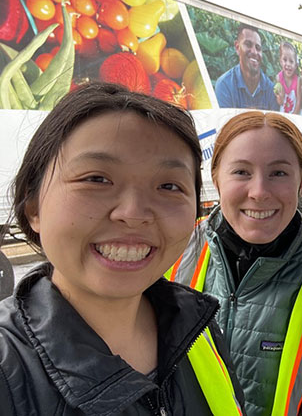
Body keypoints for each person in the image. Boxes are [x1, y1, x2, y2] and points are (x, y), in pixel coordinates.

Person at [0, 83, 245, 415]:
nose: (133, 213)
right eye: (97, 179)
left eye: (169, 186)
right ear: (33, 207)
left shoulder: (199, 331)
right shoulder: (8, 368)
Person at [167, 111, 302, 415]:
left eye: (278, 173)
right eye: (241, 172)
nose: (259, 192)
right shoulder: (178, 246)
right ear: (216, 177)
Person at [215, 23, 280, 111]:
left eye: (258, 48)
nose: (254, 52)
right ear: (237, 47)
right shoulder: (225, 85)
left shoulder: (270, 89)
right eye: (248, 44)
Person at [275, 41, 299, 114]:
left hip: (295, 114)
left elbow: (299, 103)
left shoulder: (298, 81)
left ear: (295, 65)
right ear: (281, 61)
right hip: (283, 114)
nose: (288, 64)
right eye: (285, 60)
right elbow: (280, 102)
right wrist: (279, 97)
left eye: (291, 61)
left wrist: (293, 117)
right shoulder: (278, 78)